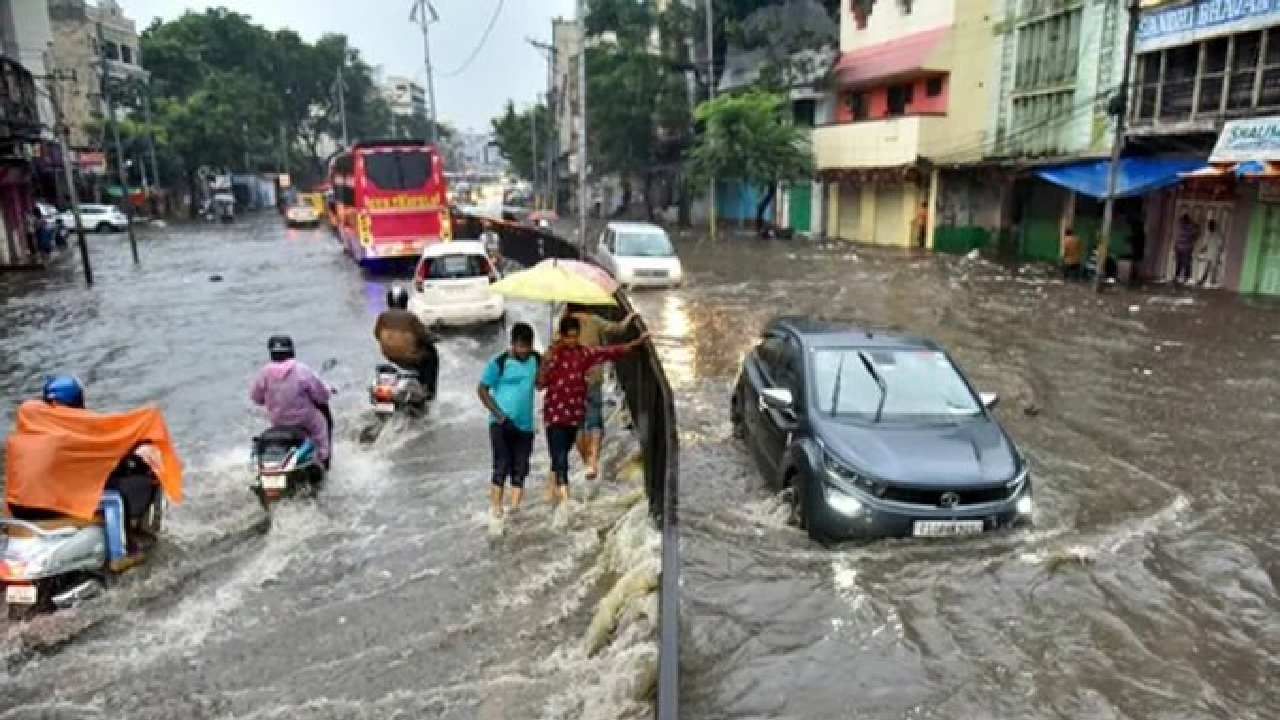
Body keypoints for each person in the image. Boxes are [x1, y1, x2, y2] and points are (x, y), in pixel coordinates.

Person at [537, 315, 648, 505]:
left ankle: (558, 493)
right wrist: (545, 364)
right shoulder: (553, 356)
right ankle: (564, 502)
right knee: (560, 457)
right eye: (568, 337)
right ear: (561, 336)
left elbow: (608, 352)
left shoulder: (584, 354)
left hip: (574, 415)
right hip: (554, 416)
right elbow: (539, 385)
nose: (572, 341)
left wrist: (635, 344)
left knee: (561, 456)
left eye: (575, 336)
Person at [562, 304, 640, 479]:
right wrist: (630, 318)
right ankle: (593, 462)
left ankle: (587, 463)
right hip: (593, 379)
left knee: (578, 425)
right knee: (594, 420)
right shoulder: (594, 321)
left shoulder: (564, 325)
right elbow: (617, 329)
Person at [477, 322, 540, 519]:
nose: (524, 351)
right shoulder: (499, 363)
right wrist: (499, 415)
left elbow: (541, 383)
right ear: (512, 344)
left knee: (521, 468)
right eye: (520, 346)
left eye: (527, 346)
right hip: (500, 423)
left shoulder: (536, 359)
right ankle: (496, 509)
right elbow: (482, 390)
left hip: (525, 425)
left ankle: (514, 510)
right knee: (501, 465)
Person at [249, 335, 332, 467]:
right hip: (305, 419)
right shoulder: (301, 370)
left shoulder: (264, 373)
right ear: (291, 351)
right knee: (321, 426)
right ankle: (323, 459)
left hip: (278, 420)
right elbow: (320, 395)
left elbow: (256, 398)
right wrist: (328, 392)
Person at [374, 284, 439, 400]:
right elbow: (425, 335)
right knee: (432, 356)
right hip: (411, 359)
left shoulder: (382, 317)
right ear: (405, 301)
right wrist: (435, 337)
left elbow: (376, 334)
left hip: (390, 356)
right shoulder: (410, 317)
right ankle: (429, 392)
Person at [1198, 218, 1224, 287]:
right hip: (1210, 254)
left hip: (1215, 254)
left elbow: (1220, 245)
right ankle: (1205, 281)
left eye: (1210, 226)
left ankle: (1212, 282)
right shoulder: (1209, 234)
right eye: (1209, 226)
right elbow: (1206, 244)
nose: (1209, 227)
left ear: (1214, 226)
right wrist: (1202, 250)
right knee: (1207, 268)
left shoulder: (1218, 234)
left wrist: (1220, 255)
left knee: (1213, 269)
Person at [1175, 213, 1199, 285]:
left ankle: (1183, 277)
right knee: (1183, 263)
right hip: (1184, 247)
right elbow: (1196, 232)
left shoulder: (1187, 227)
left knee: (1183, 263)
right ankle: (1183, 277)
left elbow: (1196, 232)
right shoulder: (1187, 226)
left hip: (1183, 247)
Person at [1127, 214, 1146, 287]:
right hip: (1138, 251)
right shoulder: (1141, 233)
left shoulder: (1138, 233)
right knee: (1136, 265)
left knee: (1135, 265)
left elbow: (1134, 240)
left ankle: (1134, 279)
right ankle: (1134, 279)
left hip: (1137, 251)